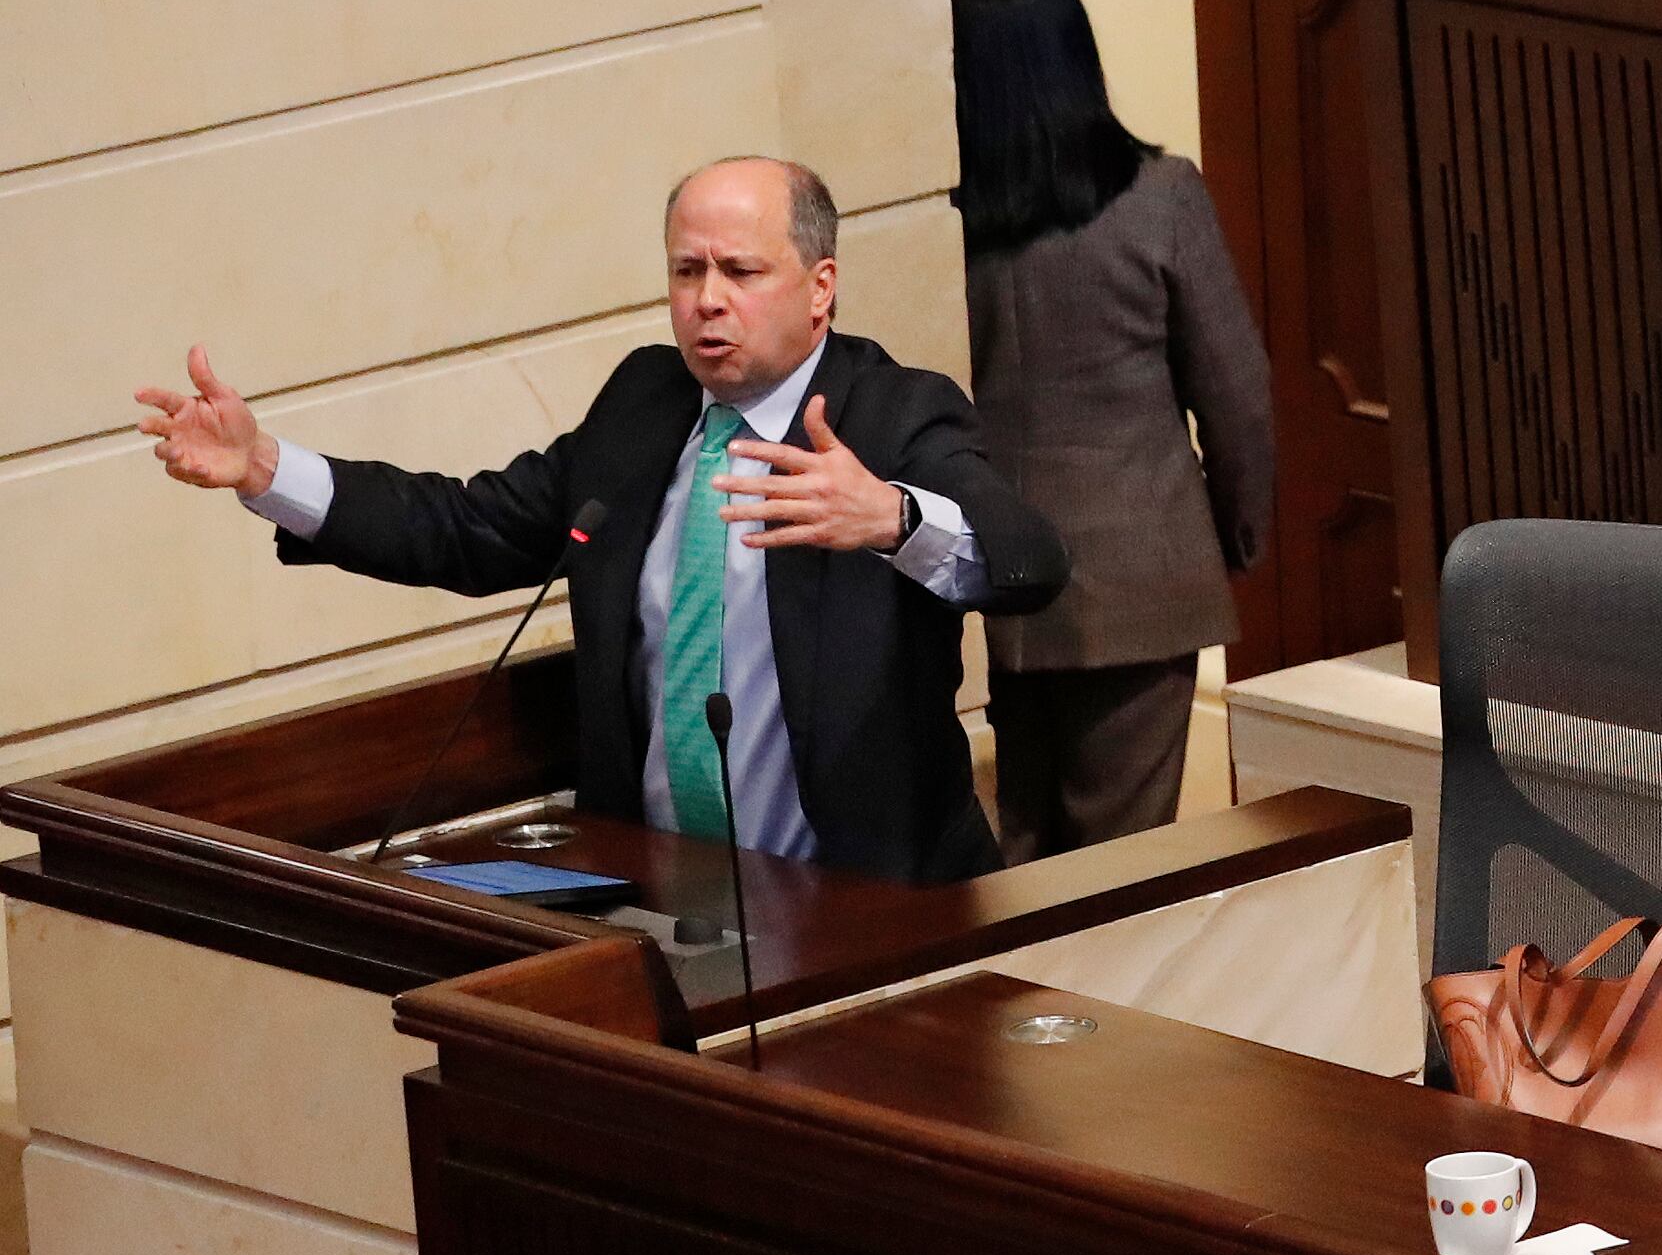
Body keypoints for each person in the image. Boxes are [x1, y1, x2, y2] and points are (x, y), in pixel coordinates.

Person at [133, 158, 1065, 882]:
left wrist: (893, 518)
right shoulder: (643, 405)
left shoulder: (896, 413)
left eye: (741, 271)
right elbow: (465, 526)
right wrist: (267, 468)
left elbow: (1030, 561)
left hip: (872, 901)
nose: (708, 299)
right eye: (687, 270)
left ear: (821, 286)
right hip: (661, 897)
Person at [947, 0, 1276, 857]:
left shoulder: (949, 233)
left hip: (990, 581)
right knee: (1119, 868)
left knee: (1017, 852)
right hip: (1142, 577)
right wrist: (1234, 531)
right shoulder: (1161, 199)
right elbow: (1237, 396)